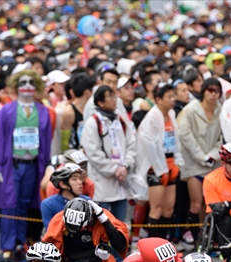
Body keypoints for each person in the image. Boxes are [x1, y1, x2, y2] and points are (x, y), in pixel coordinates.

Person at [0, 69, 53, 262]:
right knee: (9, 204)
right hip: (12, 165)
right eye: (23, 83)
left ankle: (20, 242)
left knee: (25, 205)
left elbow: (47, 141)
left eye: (31, 83)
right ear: (16, 87)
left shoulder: (43, 111)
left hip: (33, 165)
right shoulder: (7, 110)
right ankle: (7, 246)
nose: (27, 86)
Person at [176, 78, 223, 249]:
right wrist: (201, 156)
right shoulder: (190, 110)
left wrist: (211, 155)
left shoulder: (221, 110)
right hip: (194, 162)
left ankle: (206, 237)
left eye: (216, 91)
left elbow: (222, 137)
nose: (212, 94)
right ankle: (195, 239)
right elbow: (185, 135)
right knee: (196, 202)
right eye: (209, 90)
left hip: (213, 162)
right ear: (203, 91)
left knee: (208, 203)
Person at [81, 85, 138, 223]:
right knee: (103, 226)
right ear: (100, 102)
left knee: (121, 225)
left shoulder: (121, 121)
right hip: (102, 183)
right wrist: (115, 169)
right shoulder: (93, 122)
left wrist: (125, 166)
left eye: (115, 96)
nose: (115, 100)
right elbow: (93, 153)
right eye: (110, 97)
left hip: (121, 181)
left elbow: (132, 145)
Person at [137, 83, 183, 240]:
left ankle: (164, 241)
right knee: (156, 207)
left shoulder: (171, 115)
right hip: (154, 165)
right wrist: (161, 169)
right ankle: (152, 244)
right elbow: (150, 146)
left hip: (170, 162)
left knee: (169, 208)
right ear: (158, 99)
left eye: (173, 96)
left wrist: (177, 163)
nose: (173, 99)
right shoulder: (151, 117)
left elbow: (176, 141)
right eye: (169, 97)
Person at [40, 163, 90, 228]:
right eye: (74, 179)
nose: (80, 182)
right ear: (63, 184)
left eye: (80, 178)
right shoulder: (47, 204)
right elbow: (51, 231)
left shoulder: (88, 201)